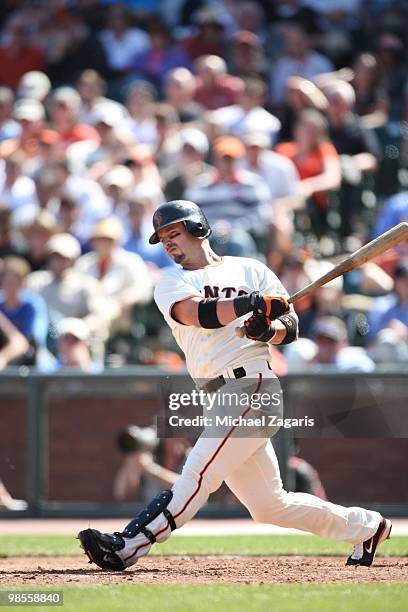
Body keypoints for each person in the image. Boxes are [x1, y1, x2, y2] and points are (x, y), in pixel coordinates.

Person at [78, 199, 392, 570]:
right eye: (162, 238)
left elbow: (289, 330)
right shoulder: (172, 281)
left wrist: (267, 328)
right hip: (217, 395)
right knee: (270, 505)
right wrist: (252, 304)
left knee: (196, 473)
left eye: (173, 233)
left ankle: (129, 545)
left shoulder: (251, 269)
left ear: (199, 229)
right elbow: (199, 314)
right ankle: (368, 527)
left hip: (252, 387)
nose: (168, 244)